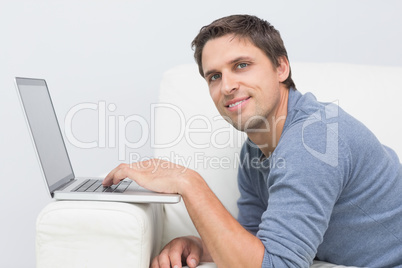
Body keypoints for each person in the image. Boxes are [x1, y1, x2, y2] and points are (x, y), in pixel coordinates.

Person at [103, 15, 402, 267]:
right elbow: (255, 240)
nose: (228, 86)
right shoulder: (256, 150)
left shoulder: (313, 139)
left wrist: (188, 182)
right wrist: (198, 245)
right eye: (214, 77)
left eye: (242, 65)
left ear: (281, 68)